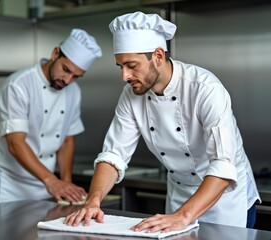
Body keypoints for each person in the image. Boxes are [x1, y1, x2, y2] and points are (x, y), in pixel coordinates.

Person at [64, 12, 261, 232]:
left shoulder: (205, 89)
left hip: (225, 199)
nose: (125, 76)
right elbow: (114, 155)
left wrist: (184, 216)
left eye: (132, 65)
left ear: (158, 55)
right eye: (121, 66)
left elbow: (224, 164)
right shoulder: (130, 95)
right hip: (179, 197)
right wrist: (93, 201)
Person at [0, 28, 102, 204]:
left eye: (76, 76)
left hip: (45, 189)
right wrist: (52, 181)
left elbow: (67, 140)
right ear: (55, 53)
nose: (67, 80)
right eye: (65, 69)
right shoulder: (18, 85)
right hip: (7, 189)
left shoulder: (73, 91)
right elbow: (16, 144)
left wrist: (65, 184)